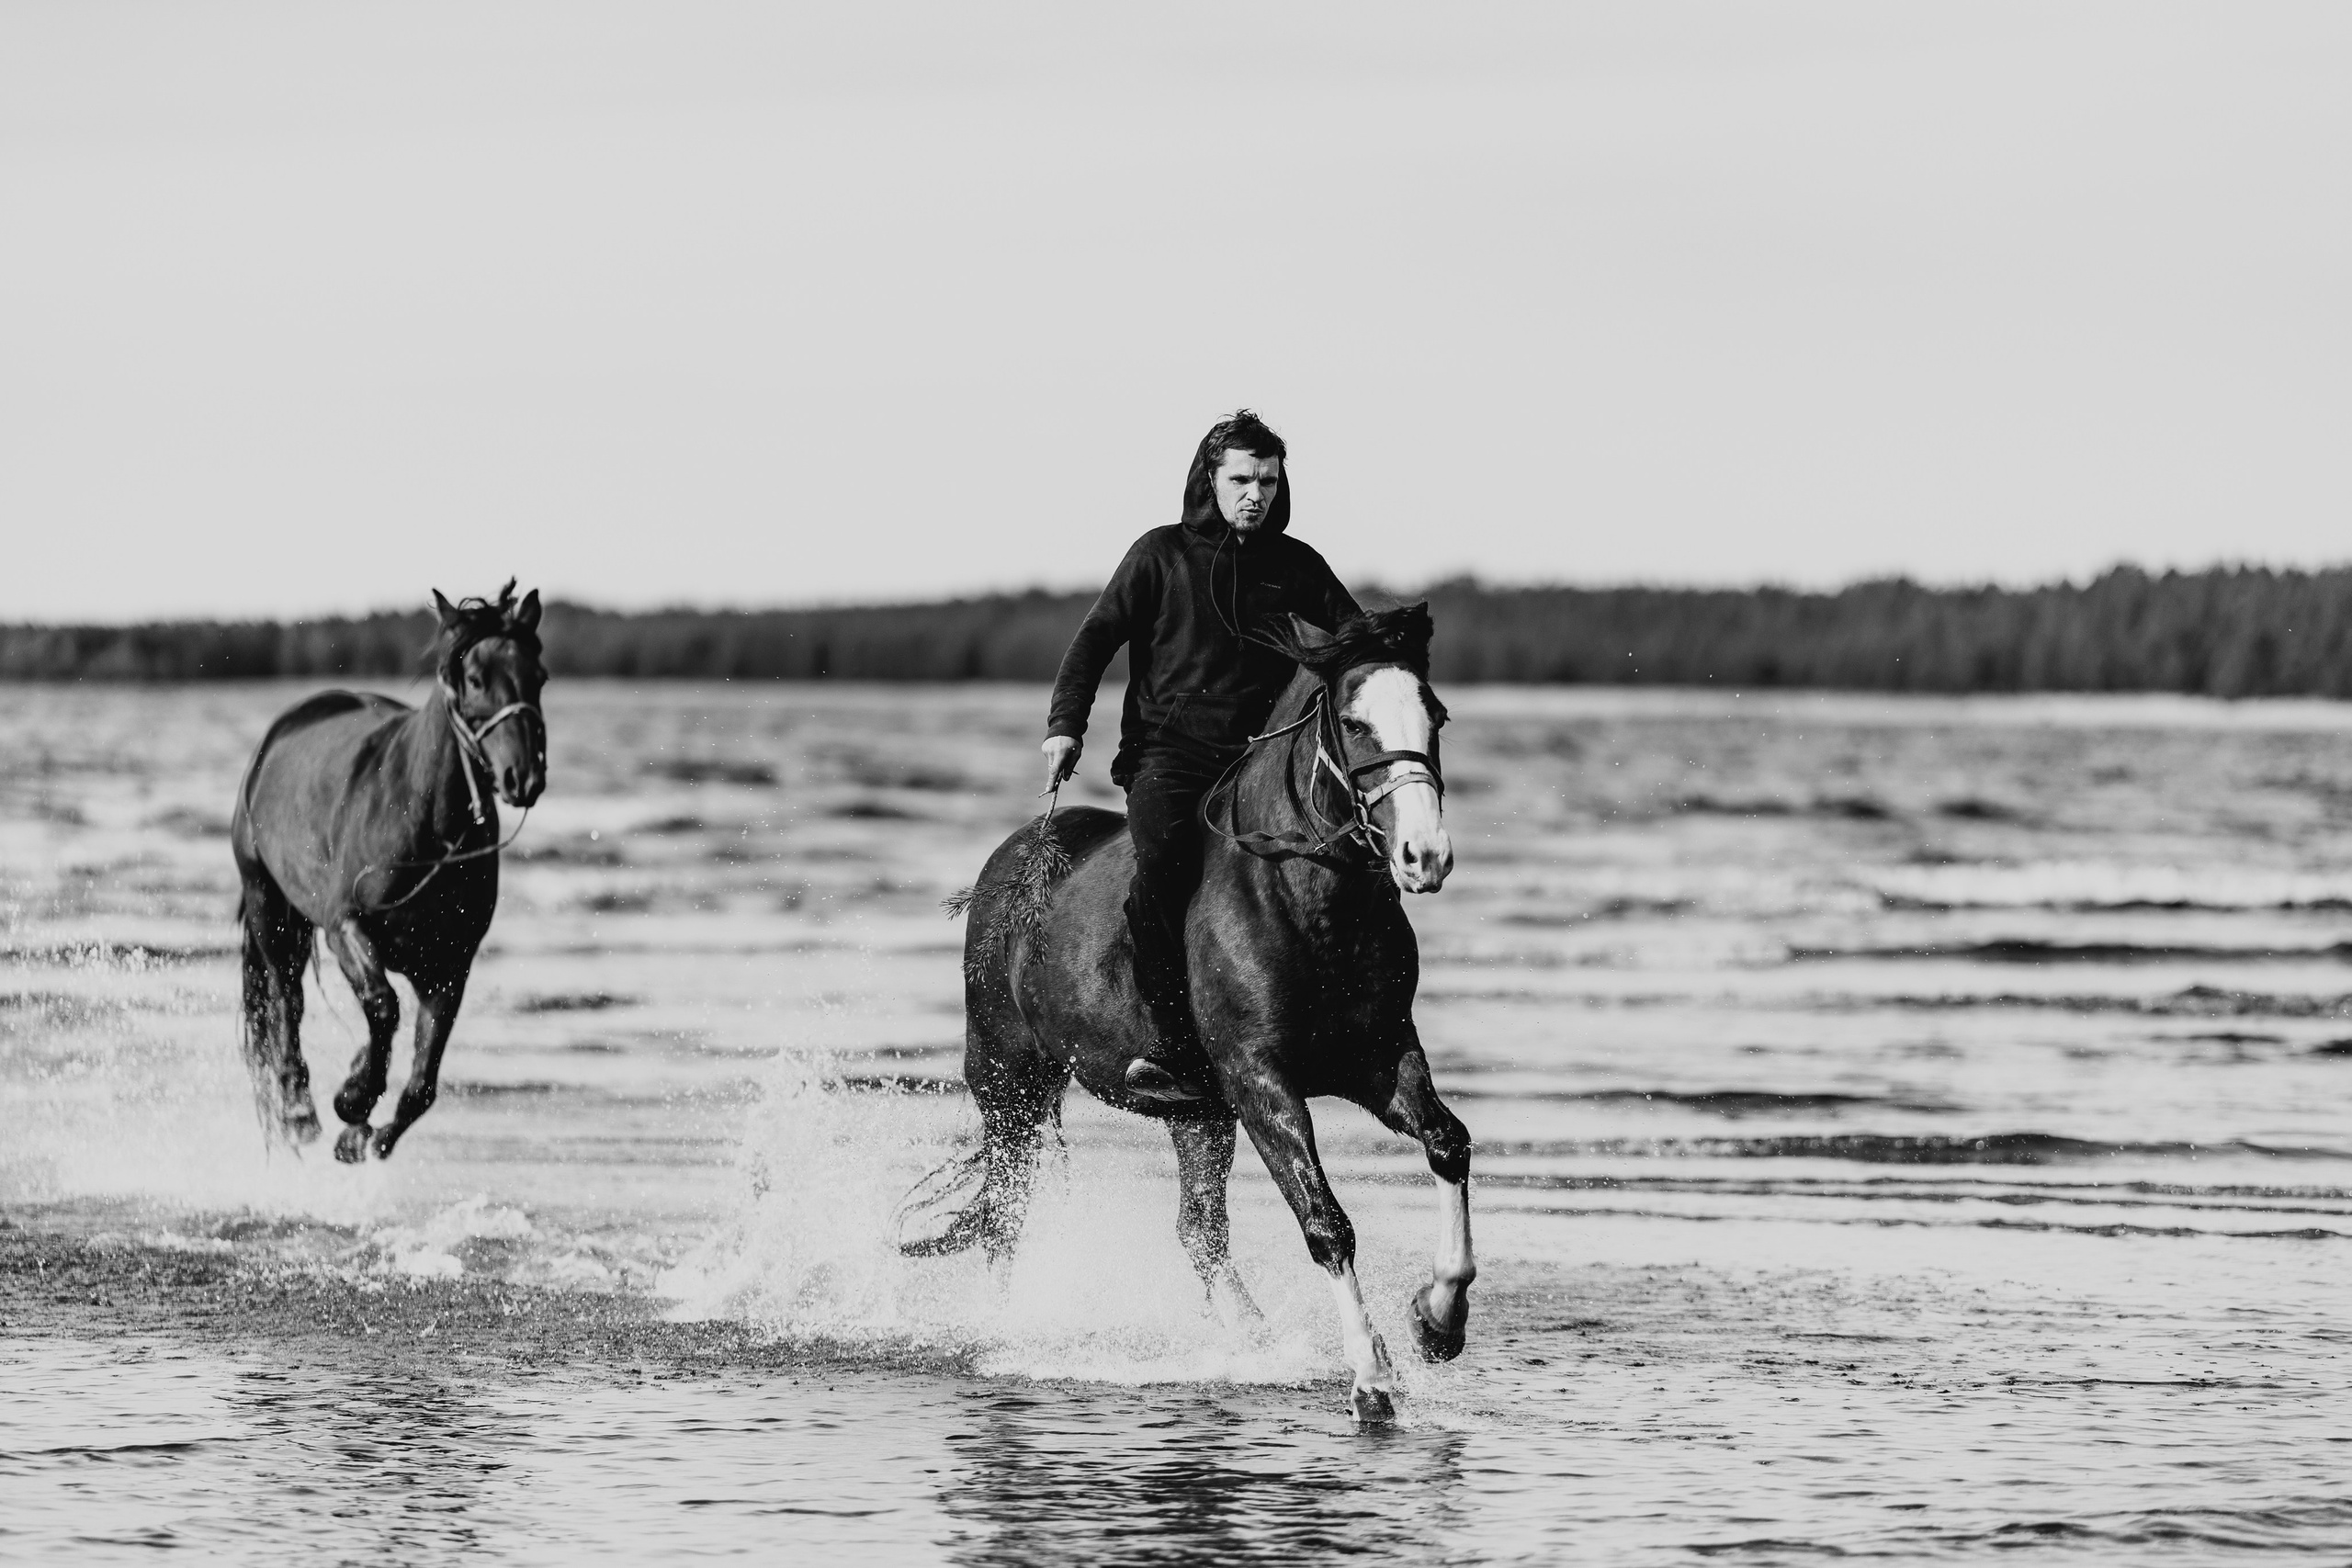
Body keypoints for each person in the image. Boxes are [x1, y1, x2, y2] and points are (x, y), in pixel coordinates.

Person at [1042, 410, 1360, 1105]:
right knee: (1166, 861)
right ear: (1208, 479)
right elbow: (1094, 641)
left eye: (1268, 480)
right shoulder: (1158, 555)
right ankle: (1172, 1046)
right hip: (1169, 758)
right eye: (1241, 479)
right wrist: (1066, 727)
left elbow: (1354, 642)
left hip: (1260, 765)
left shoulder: (1297, 565)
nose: (1257, 494)